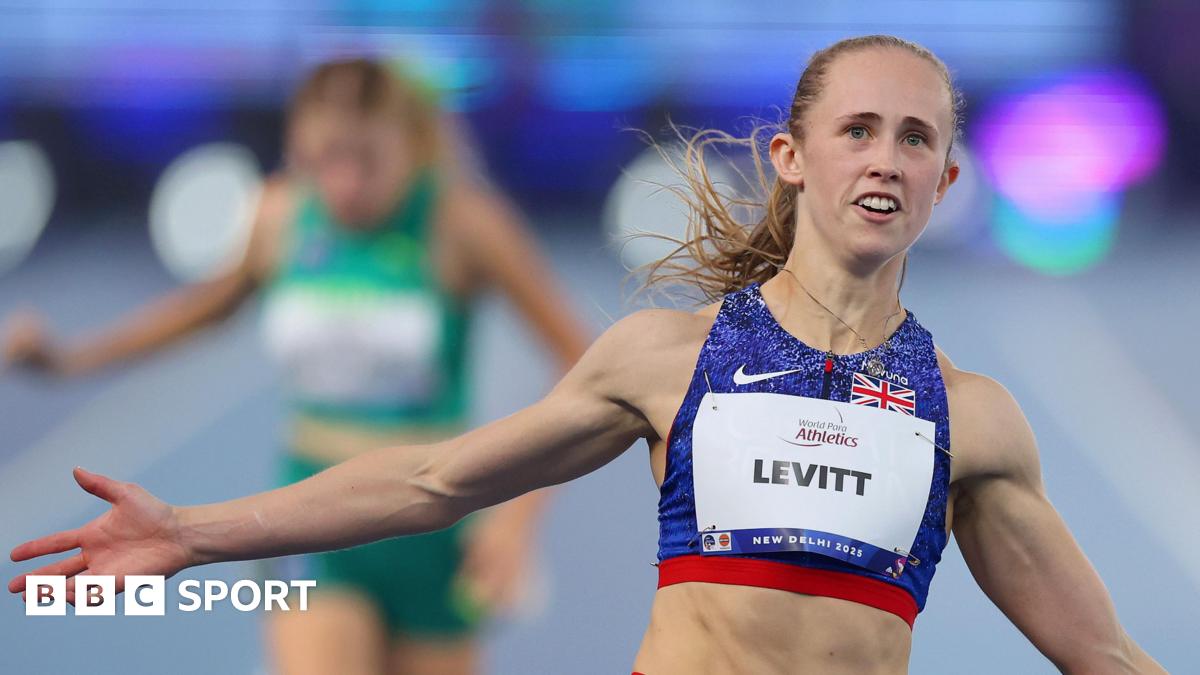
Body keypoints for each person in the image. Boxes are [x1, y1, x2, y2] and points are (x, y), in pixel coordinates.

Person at [8, 36, 1166, 674]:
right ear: (791, 159)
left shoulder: (969, 419)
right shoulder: (667, 361)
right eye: (856, 128)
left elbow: (1104, 654)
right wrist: (193, 532)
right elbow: (432, 480)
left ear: (945, 182)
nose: (886, 157)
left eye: (916, 138)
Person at [4, 59, 591, 675]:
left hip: (434, 529)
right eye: (324, 159)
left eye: (367, 160)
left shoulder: (461, 222)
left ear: (413, 147)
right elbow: (199, 312)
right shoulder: (281, 215)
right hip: (306, 518)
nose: (344, 183)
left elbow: (579, 362)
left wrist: (518, 517)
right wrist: (67, 359)